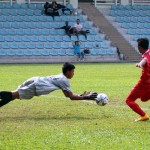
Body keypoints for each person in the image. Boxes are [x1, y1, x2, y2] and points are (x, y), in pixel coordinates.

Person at [0, 62, 97, 107]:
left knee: (12, 96)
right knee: (13, 95)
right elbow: (71, 97)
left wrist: (81, 95)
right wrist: (86, 97)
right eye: (73, 71)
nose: (73, 73)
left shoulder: (60, 77)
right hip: (37, 86)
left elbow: (67, 95)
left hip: (35, 79)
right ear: (68, 72)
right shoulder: (64, 80)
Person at [126, 38, 150, 122]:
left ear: (140, 47)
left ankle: (144, 116)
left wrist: (140, 64)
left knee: (129, 100)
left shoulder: (145, 56)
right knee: (143, 98)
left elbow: (144, 60)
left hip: (144, 83)